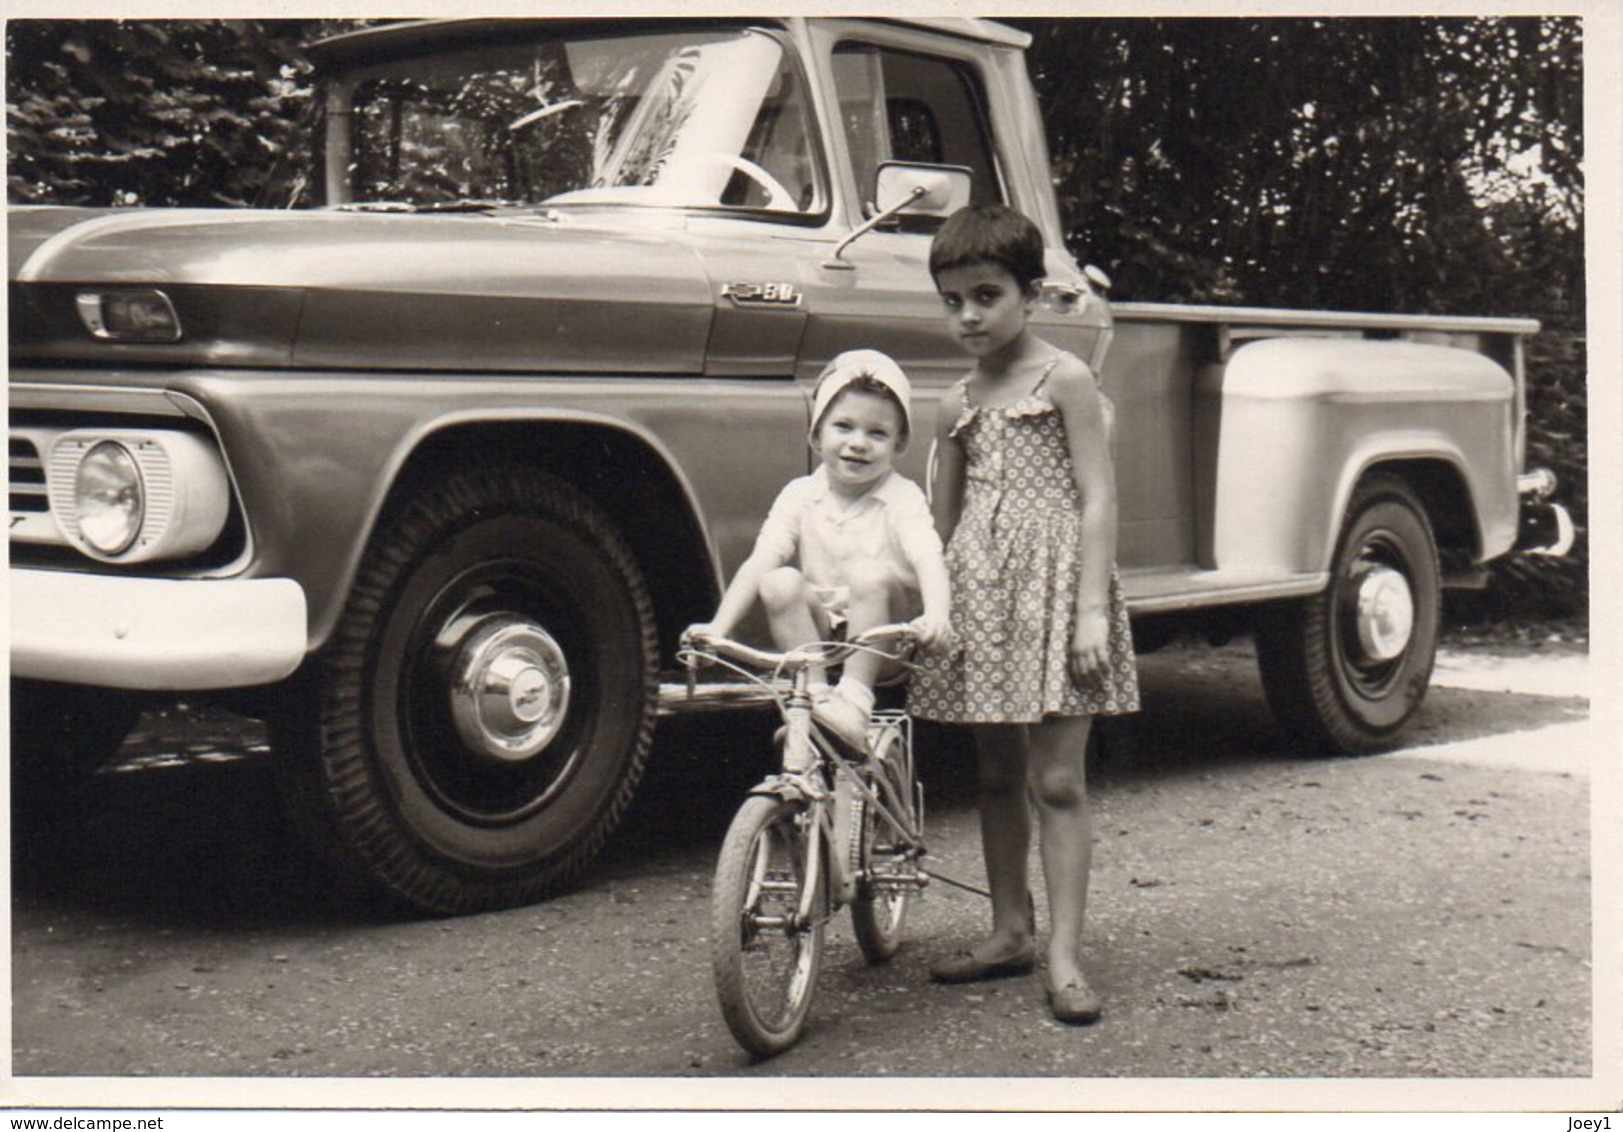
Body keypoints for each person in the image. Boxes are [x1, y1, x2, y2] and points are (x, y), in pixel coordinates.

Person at [908, 203, 1140, 1025]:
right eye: (952, 301)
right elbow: (940, 522)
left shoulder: (1064, 379)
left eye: (986, 296)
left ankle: (1064, 955)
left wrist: (1088, 611)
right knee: (996, 776)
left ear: (1029, 294)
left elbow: (1098, 494)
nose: (968, 315)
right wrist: (931, 607)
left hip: (1056, 591)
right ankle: (1008, 929)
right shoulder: (954, 402)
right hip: (982, 596)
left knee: (1056, 779)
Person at [687, 349, 952, 751]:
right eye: (843, 426)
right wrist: (717, 629)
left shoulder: (903, 497)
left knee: (868, 572)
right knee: (778, 581)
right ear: (816, 434)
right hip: (821, 641)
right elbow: (762, 560)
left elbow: (927, 558)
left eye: (877, 433)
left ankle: (855, 701)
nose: (857, 444)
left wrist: (937, 616)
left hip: (886, 642)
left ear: (899, 444)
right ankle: (817, 697)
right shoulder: (800, 494)